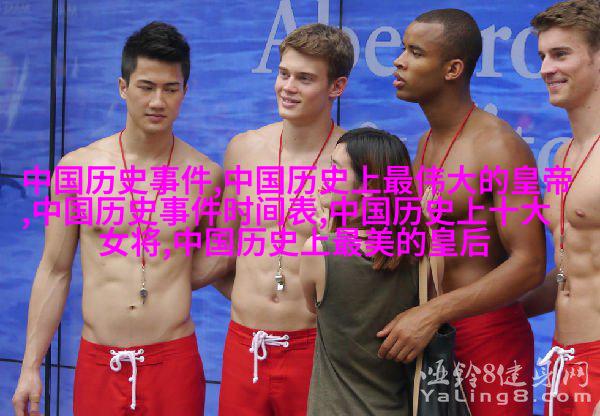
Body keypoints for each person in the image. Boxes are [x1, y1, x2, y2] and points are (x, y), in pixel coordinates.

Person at [11, 21, 222, 415]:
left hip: (173, 361)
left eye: (170, 89)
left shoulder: (206, 176)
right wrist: (30, 368)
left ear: (185, 92)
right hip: (99, 362)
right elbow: (55, 270)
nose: (157, 101)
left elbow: (225, 263)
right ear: (123, 87)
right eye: (146, 86)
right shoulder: (77, 168)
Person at [380, 8, 546, 415]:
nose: (399, 61)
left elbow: (529, 264)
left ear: (453, 69)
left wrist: (432, 312)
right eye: (402, 49)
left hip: (489, 338)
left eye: (415, 52)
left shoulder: (500, 147)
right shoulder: (425, 143)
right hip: (433, 335)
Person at [217, 23, 353, 416]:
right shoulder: (243, 149)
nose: (287, 87)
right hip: (245, 343)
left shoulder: (354, 161)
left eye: (304, 78)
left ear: (336, 86)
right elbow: (221, 251)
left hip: (316, 346)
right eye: (283, 74)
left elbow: (377, 265)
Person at [300, 127, 426, 415]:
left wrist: (329, 232)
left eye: (335, 169)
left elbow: (315, 308)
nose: (324, 176)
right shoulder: (424, 254)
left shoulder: (318, 250)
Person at [521, 1, 600, 414]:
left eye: (561, 54)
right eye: (542, 56)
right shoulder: (563, 155)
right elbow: (572, 269)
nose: (545, 69)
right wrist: (492, 314)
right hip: (563, 359)